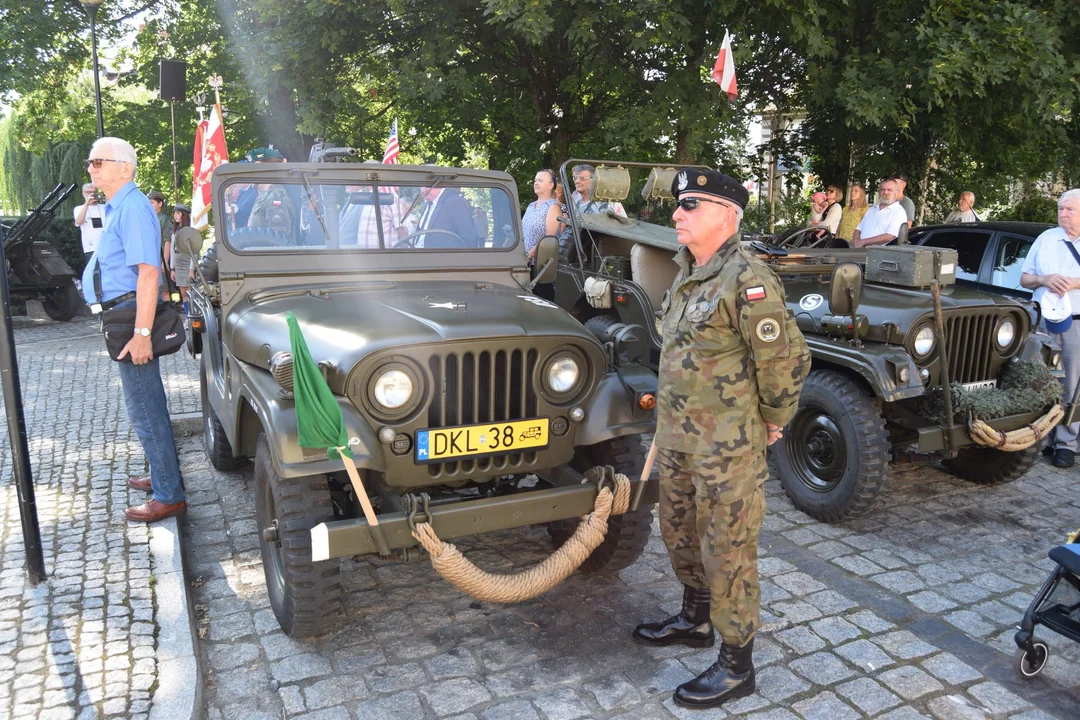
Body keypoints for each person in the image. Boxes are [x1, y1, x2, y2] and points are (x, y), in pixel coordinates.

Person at [633, 168, 810, 709]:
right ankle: (694, 620)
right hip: (681, 437)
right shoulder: (689, 272)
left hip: (728, 445)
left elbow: (783, 359)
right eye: (678, 206)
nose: (677, 215)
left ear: (727, 214)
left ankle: (738, 664)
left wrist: (775, 418)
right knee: (680, 530)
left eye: (690, 205)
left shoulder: (748, 279)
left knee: (728, 548)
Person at [80, 137, 185, 522]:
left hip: (130, 315)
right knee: (145, 405)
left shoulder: (135, 206)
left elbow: (148, 273)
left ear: (124, 167)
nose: (91, 168)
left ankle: (169, 494)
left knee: (145, 409)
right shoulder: (120, 205)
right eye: (90, 162)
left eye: (97, 161)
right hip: (122, 312)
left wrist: (142, 334)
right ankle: (163, 476)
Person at [1020, 189, 1080, 468]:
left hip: (1075, 322)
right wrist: (1045, 279)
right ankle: (1039, 437)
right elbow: (1024, 278)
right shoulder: (1046, 238)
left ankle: (1066, 443)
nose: (1062, 213)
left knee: (1071, 384)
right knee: (1040, 381)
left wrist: (1072, 282)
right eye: (1060, 208)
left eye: (1069, 209)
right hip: (1042, 320)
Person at [522, 169, 561, 300]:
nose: (536, 183)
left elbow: (549, 238)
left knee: (543, 298)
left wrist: (530, 255)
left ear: (551, 185)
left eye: (540, 180)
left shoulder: (553, 207)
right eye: (535, 180)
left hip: (542, 264)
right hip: (525, 262)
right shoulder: (531, 206)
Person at [413, 186, 481, 248]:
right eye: (421, 186)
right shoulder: (428, 203)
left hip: (441, 259)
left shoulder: (455, 202)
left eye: (427, 186)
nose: (423, 190)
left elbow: (470, 238)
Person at [852, 178, 908, 248]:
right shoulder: (872, 210)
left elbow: (890, 236)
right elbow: (858, 229)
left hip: (882, 255)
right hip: (862, 252)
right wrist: (856, 242)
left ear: (896, 192)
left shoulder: (898, 212)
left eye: (889, 190)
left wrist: (863, 242)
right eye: (882, 190)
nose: (885, 192)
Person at [169, 203, 195, 305]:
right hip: (178, 265)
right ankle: (188, 317)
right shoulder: (176, 231)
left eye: (178, 213)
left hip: (187, 263)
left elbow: (194, 252)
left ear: (184, 215)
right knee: (183, 294)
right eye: (174, 213)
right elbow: (172, 249)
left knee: (189, 294)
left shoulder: (190, 230)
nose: (175, 215)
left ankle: (192, 317)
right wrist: (172, 268)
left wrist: (191, 269)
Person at [73, 183, 105, 260]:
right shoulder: (79, 209)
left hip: (107, 245)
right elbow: (78, 222)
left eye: (94, 192)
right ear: (83, 194)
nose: (92, 195)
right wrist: (86, 205)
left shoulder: (104, 207)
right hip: (91, 247)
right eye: (89, 192)